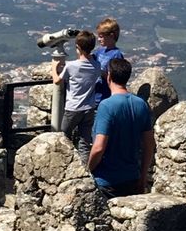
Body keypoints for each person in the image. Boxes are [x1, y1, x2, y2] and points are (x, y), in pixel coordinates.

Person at [88, 56, 154, 197]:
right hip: (132, 177)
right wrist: (143, 177)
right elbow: (149, 144)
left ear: (109, 76)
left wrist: (88, 170)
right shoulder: (141, 104)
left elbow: (99, 147)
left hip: (107, 181)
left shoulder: (106, 106)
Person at [51, 29, 102, 164]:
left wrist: (53, 67)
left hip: (73, 108)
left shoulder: (71, 66)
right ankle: (84, 168)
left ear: (77, 48)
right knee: (85, 142)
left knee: (63, 137)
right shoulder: (97, 66)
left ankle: (63, 164)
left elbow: (57, 81)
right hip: (89, 108)